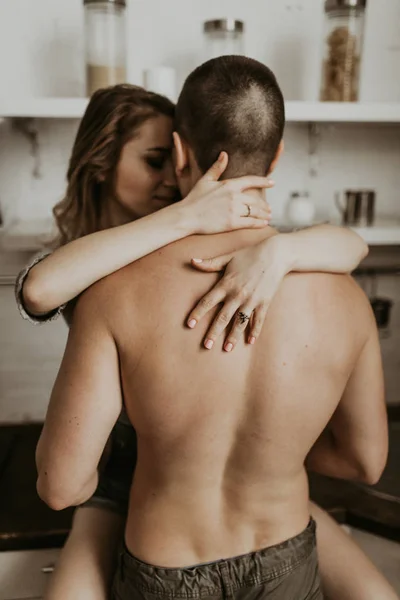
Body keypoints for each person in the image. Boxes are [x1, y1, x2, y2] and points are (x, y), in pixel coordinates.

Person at [33, 60, 396, 600]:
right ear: (276, 157)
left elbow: (61, 486)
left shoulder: (112, 296)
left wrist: (168, 454)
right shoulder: (347, 299)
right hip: (287, 556)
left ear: (180, 154)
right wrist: (275, 450)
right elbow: (365, 462)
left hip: (166, 563)